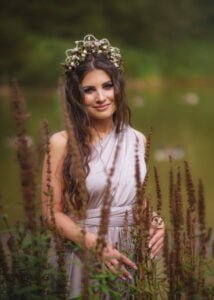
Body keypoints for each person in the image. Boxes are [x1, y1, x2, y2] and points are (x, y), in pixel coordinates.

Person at [41, 34, 165, 298]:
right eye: (89, 90)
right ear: (77, 95)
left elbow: (134, 200)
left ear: (117, 87)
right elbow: (52, 213)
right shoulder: (62, 143)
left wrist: (156, 220)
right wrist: (93, 244)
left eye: (107, 86)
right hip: (85, 251)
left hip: (131, 252)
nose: (101, 97)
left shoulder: (137, 139)